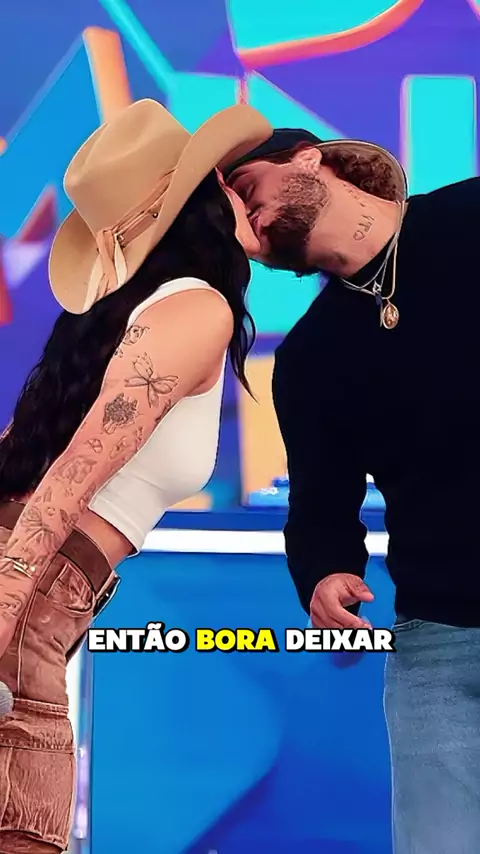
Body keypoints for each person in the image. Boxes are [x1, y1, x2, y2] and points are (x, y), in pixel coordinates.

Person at [0, 98, 272, 853]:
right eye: (220, 182)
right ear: (197, 206)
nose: (238, 192)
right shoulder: (196, 310)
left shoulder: (126, 316)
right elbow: (67, 479)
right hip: (29, 593)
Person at [224, 129, 480, 854]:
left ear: (311, 158)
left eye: (246, 189)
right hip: (441, 641)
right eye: (229, 219)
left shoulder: (468, 216)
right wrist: (326, 573)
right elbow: (319, 507)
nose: (246, 220)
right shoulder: (310, 356)